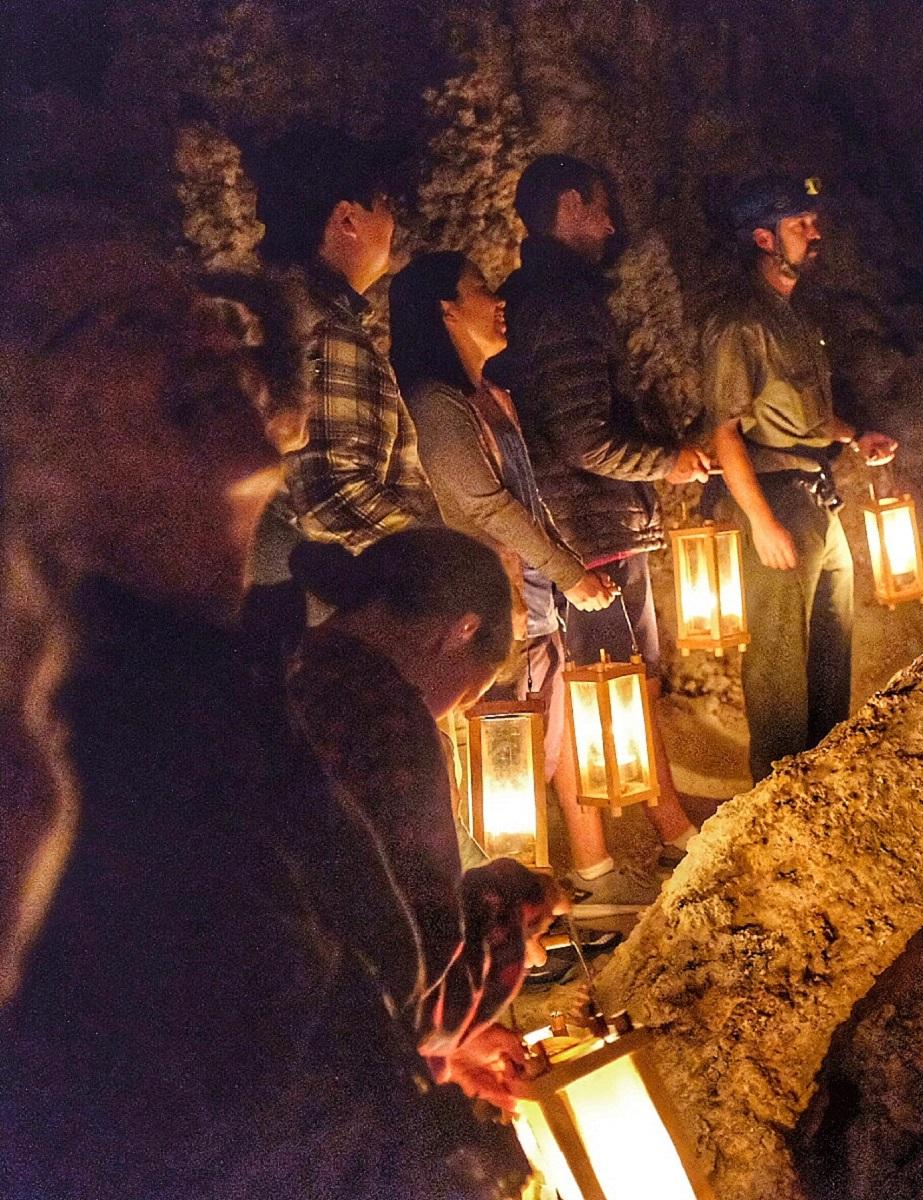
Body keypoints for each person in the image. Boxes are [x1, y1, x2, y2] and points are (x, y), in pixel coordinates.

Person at [0, 242, 531, 1200]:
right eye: (131, 324)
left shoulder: (224, 684)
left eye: (195, 307)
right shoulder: (69, 761)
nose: (206, 335)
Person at [391, 251, 640, 902]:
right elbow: (485, 506)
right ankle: (501, 921)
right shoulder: (437, 405)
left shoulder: (487, 398)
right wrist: (572, 573)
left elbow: (526, 500)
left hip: (530, 605)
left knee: (543, 752)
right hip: (486, 611)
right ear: (445, 309)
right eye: (479, 288)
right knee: (500, 769)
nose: (497, 297)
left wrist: (563, 576)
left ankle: (550, 904)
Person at [497, 154, 701, 885]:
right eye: (601, 209)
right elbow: (585, 437)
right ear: (571, 204)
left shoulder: (547, 296)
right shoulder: (559, 301)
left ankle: (640, 836)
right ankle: (656, 837)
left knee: (612, 681)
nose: (612, 225)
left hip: (591, 522)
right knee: (606, 682)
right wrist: (667, 461)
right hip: (589, 527)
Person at [701, 175, 898, 782]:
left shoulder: (791, 314)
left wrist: (852, 435)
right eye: (798, 225)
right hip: (777, 496)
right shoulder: (739, 321)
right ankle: (778, 795)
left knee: (831, 647)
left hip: (817, 494)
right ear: (764, 238)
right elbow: (724, 429)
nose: (815, 233)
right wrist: (760, 521)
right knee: (781, 661)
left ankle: (827, 777)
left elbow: (803, 411)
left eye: (814, 220)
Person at [245, 124, 435, 644]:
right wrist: (442, 561)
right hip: (332, 619)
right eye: (383, 205)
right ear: (347, 219)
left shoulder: (284, 315)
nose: (393, 223)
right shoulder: (325, 329)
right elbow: (332, 494)